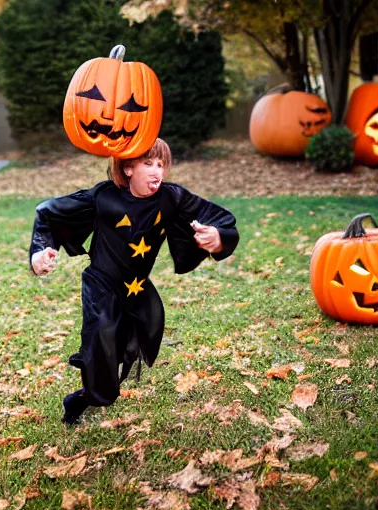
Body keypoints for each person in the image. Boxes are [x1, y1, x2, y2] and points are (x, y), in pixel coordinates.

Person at [29, 138, 239, 424]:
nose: (157, 172)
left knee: (122, 353)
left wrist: (216, 237)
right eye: (148, 164)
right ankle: (90, 393)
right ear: (128, 168)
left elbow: (217, 217)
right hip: (101, 286)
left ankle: (81, 398)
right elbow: (49, 212)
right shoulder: (103, 198)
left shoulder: (171, 198)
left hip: (136, 289)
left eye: (161, 165)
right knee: (102, 339)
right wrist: (39, 254)